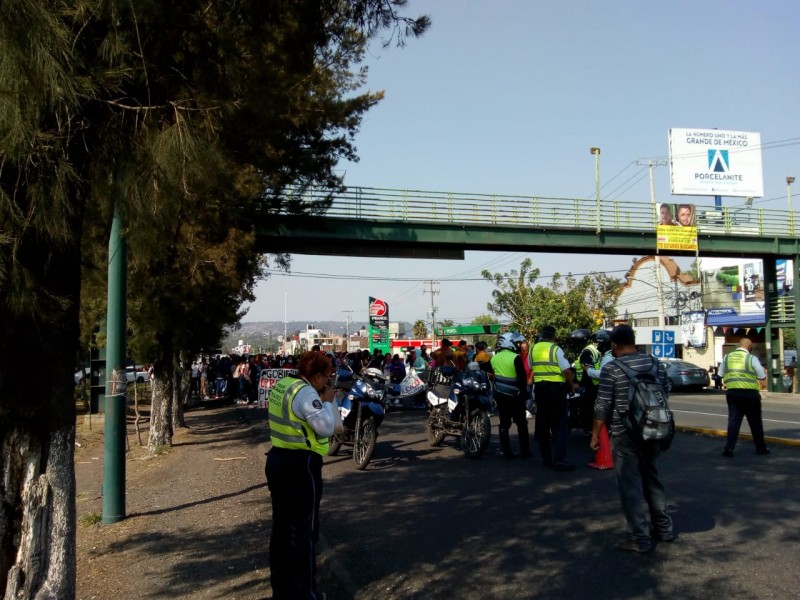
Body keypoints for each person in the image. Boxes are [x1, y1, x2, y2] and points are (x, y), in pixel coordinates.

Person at [591, 324, 675, 553]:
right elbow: (666, 389)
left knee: (630, 486)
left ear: (614, 345)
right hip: (653, 430)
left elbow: (602, 405)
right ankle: (664, 528)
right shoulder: (654, 363)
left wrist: (595, 435)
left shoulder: (612, 368)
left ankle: (639, 538)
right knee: (651, 478)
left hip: (625, 433)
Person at [265, 351, 339, 599]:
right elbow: (326, 427)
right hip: (300, 466)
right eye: (325, 379)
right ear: (316, 376)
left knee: (282, 531)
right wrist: (327, 401)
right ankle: (304, 593)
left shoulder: (285, 384)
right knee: (303, 535)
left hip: (277, 459)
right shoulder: (307, 393)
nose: (326, 384)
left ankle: (282, 590)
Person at [530, 325, 577, 471]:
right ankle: (560, 459)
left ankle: (546, 459)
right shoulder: (556, 349)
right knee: (559, 425)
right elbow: (566, 371)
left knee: (543, 424)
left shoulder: (532, 349)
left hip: (540, 390)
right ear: (553, 337)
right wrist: (572, 385)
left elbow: (531, 367)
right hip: (556, 390)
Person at [718, 338, 770, 457]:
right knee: (755, 422)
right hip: (750, 395)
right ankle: (760, 448)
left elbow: (720, 374)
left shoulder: (727, 357)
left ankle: (729, 449)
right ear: (750, 348)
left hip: (733, 394)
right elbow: (761, 375)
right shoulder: (751, 358)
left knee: (734, 422)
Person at [490, 332, 531, 459]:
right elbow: (522, 378)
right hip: (516, 396)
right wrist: (525, 393)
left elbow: (490, 372)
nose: (518, 345)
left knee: (504, 424)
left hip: (500, 395)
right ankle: (525, 451)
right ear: (509, 343)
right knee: (521, 423)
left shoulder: (494, 358)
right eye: (516, 343)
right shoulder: (515, 357)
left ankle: (506, 451)